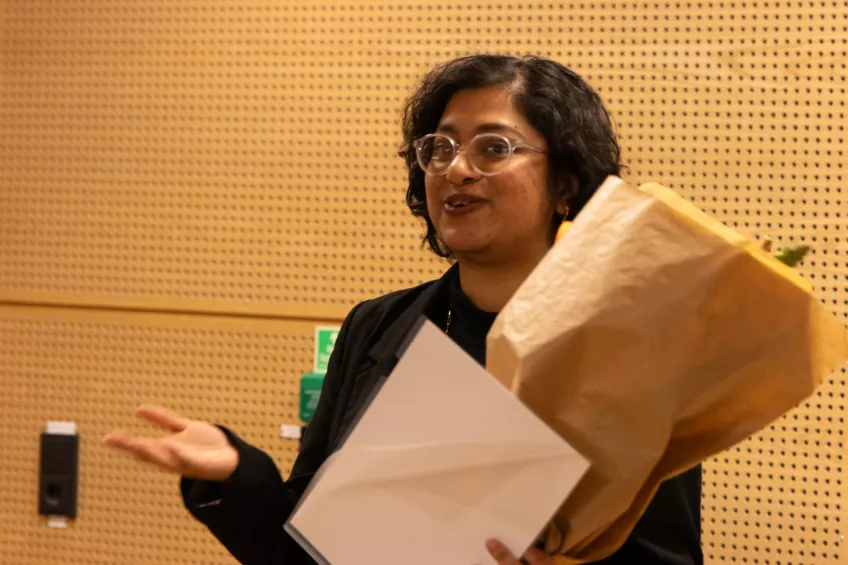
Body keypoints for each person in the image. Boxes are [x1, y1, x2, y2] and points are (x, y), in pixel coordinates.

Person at [104, 54, 704, 565]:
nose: (457, 169)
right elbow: (309, 551)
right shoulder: (380, 326)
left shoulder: (625, 348)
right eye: (439, 148)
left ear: (567, 183)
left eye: (493, 147)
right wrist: (238, 476)